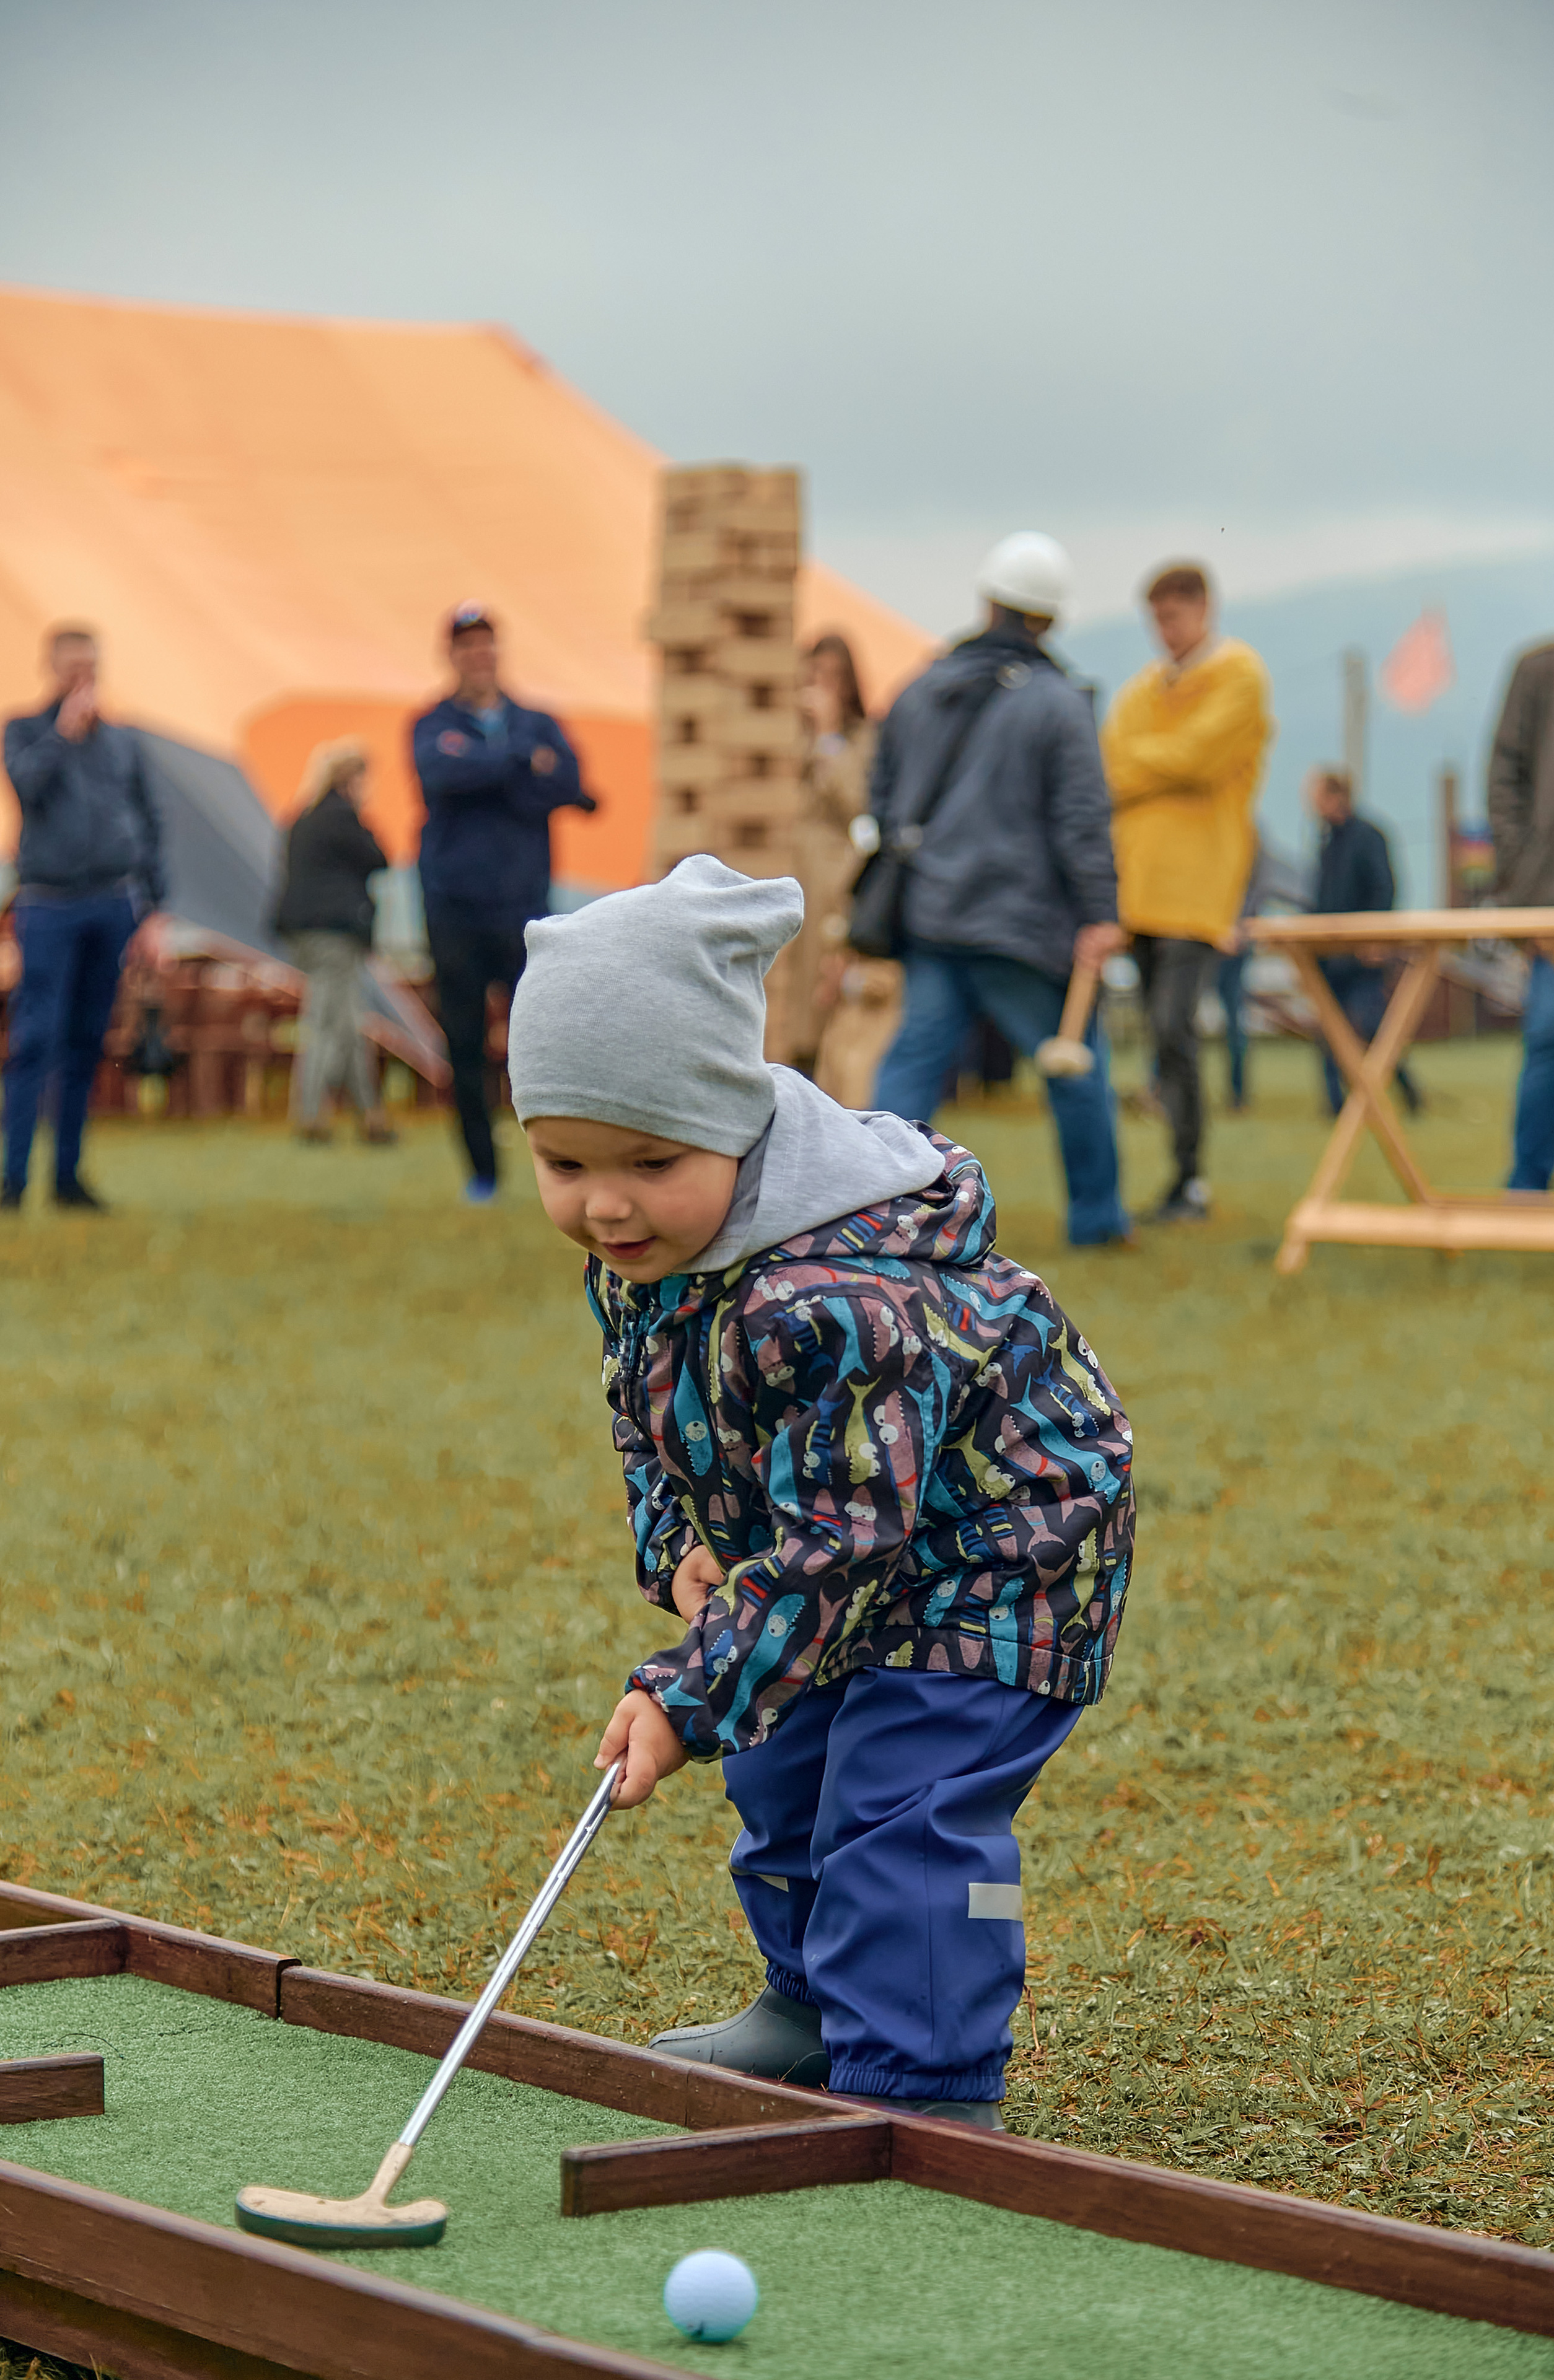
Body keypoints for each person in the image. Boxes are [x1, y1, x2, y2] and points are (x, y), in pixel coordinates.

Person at [507, 856, 1135, 2127]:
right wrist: (679, 1543)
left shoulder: (832, 1298)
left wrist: (688, 1691)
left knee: (904, 1812)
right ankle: (807, 2007)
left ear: (737, 1120)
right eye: (563, 1163)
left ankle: (925, 2085)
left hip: (997, 1559)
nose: (606, 1203)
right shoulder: (649, 1259)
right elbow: (647, 1416)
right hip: (835, 1545)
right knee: (781, 1761)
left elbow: (848, 1536)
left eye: (645, 1157)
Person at [866, 533, 1131, 1248]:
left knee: (908, 1076)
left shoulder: (918, 689)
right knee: (1075, 1071)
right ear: (1050, 619)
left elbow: (883, 797)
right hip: (1022, 927)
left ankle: (864, 1215)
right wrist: (1102, 912)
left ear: (987, 602)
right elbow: (1080, 817)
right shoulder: (1058, 703)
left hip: (931, 914)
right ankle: (1098, 1221)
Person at [1101, 564, 1271, 1222]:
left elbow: (1197, 756)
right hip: (1140, 886)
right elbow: (1110, 762)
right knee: (1160, 1033)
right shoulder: (1146, 686)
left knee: (1176, 1026)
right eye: (1156, 621)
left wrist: (1148, 762)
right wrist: (1161, 762)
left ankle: (1190, 1175)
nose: (1163, 634)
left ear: (1203, 609)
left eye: (1172, 618)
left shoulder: (1238, 675)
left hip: (1199, 889)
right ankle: (1180, 1174)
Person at [412, 603, 595, 1202]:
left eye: (486, 644)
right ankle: (483, 1172)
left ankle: (560, 1163)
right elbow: (441, 775)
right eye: (467, 646)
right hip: (454, 909)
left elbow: (570, 785)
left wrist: (489, 766)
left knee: (541, 1043)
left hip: (526, 911)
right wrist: (518, 763)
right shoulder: (432, 723)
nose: (478, 656)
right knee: (464, 1045)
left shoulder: (537, 720)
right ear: (453, 655)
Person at [2, 625, 167, 1214]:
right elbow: (26, 787)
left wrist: (155, 908)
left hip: (111, 901)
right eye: (72, 667)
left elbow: (149, 823)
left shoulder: (122, 743)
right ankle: (14, 1177)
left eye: (90, 667)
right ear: (52, 668)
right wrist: (63, 734)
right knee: (35, 1039)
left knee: (86, 1042)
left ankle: (68, 1175)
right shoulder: (24, 730)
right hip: (49, 903)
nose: (83, 678)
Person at [1486, 573, 1554, 1190]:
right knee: (1551, 1029)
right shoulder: (1542, 670)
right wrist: (1523, 881)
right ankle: (1527, 1186)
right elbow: (1504, 779)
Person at [273, 738, 397, 1145]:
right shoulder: (343, 820)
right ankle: (311, 1115)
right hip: (335, 934)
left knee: (345, 1023)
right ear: (352, 779)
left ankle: (371, 1117)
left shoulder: (302, 819)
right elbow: (380, 857)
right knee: (328, 1025)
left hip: (302, 933)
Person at [784, 633, 877, 1073]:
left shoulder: (861, 741)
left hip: (830, 883)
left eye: (832, 679)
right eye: (814, 677)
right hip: (788, 874)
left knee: (821, 985)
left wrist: (828, 737)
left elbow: (859, 805)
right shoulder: (786, 740)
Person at [1307, 768, 1421, 1117]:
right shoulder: (1327, 841)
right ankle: (1335, 1105)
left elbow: (1384, 888)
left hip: (1362, 954)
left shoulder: (1368, 836)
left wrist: (1377, 938)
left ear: (1336, 796)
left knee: (1373, 1027)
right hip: (1329, 953)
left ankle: (1407, 1092)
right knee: (1328, 1032)